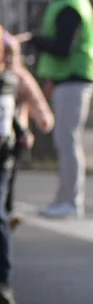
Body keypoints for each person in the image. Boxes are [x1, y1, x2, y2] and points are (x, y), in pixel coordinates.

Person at [16, 0, 93, 219]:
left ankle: (71, 200)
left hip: (76, 78)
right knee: (65, 140)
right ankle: (65, 197)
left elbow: (62, 47)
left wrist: (34, 39)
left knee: (68, 140)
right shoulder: (63, 1)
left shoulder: (71, 7)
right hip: (67, 79)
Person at [0, 29, 55, 304]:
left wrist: (39, 122)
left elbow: (38, 105)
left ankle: (7, 217)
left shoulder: (18, 77)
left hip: (9, 148)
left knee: (3, 201)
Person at [1, 32, 53, 234]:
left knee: (8, 174)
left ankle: (8, 209)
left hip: (16, 137)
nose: (7, 58)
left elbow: (35, 98)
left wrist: (43, 118)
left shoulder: (19, 76)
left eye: (10, 53)